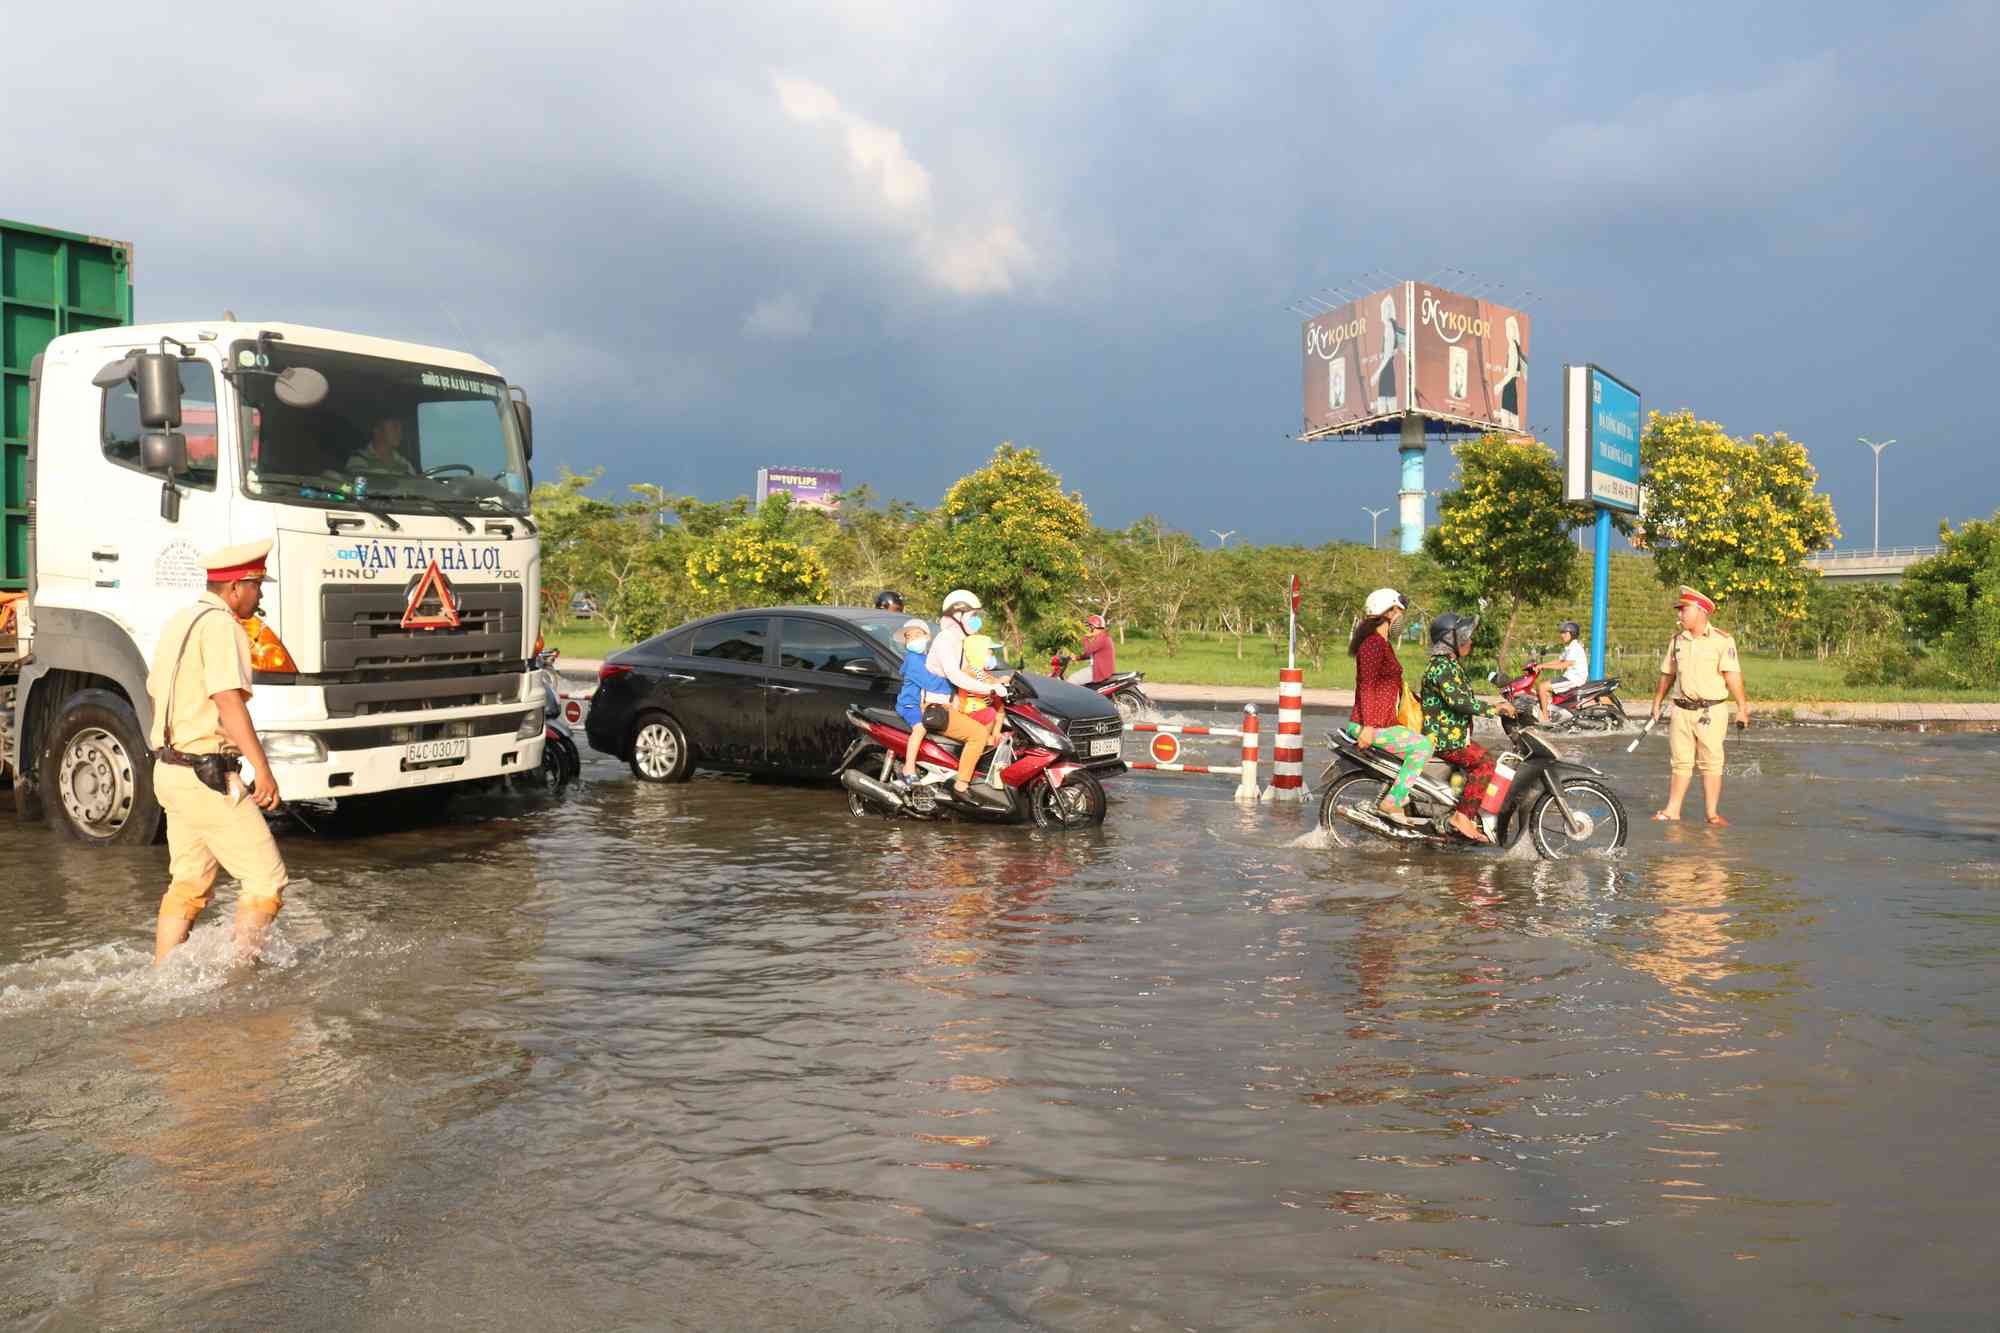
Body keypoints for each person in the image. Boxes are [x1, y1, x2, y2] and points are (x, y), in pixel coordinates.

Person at [146, 540, 289, 965]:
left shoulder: (179, 620)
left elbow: (159, 692)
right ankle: (238, 982)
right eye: (257, 586)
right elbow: (228, 700)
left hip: (170, 771)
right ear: (235, 588)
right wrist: (263, 772)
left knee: (188, 885)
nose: (260, 596)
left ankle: (161, 977)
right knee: (266, 881)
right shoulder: (223, 626)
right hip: (206, 776)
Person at [1647, 586, 1750, 826]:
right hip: (1681, 710)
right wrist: (1657, 700)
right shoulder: (1677, 640)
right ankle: (1672, 810)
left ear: (1701, 611)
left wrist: (1742, 707)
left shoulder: (1722, 640)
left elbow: (1732, 675)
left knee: (1711, 762)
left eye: (1684, 610)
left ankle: (1712, 814)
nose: (1679, 615)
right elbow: (1668, 673)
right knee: (1680, 761)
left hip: (1710, 711)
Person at [1419, 612, 1517, 843]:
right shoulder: (1441, 667)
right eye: (1465, 637)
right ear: (1449, 640)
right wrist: (1494, 710)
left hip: (1453, 735)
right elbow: (1460, 702)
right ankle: (1462, 817)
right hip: (1444, 738)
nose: (1469, 641)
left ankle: (1466, 811)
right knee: (1485, 764)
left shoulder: (1449, 664)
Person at [1345, 587, 1432, 825]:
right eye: (1398, 612)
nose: (1400, 619)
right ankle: (1392, 801)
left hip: (1384, 722)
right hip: (1370, 725)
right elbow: (1367, 685)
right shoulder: (1373, 644)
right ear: (1386, 613)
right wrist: (1369, 727)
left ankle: (1402, 807)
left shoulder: (1383, 643)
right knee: (1422, 747)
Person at [923, 590, 1006, 808]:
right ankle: (961, 786)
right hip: (936, 707)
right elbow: (956, 675)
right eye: (972, 615)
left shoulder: (960, 640)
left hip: (950, 705)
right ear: (957, 615)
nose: (976, 620)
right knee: (978, 735)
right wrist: (990, 690)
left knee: (990, 720)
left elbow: (970, 670)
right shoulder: (945, 640)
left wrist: (994, 681)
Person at [893, 619, 950, 785]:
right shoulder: (913, 660)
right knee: (920, 728)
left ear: (928, 636)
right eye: (909, 637)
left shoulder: (925, 657)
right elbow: (930, 682)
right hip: (909, 705)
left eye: (918, 634)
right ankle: (909, 768)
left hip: (925, 704)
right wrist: (952, 684)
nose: (913, 639)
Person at [1532, 620, 1588, 724]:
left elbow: (1564, 664)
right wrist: (1541, 665)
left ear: (1572, 634)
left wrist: (1544, 666)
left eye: (1564, 633)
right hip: (1569, 676)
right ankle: (1552, 711)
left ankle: (1545, 718)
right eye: (1561, 632)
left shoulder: (1575, 648)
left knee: (1542, 687)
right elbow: (1559, 660)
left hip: (1573, 679)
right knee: (1543, 688)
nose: (1562, 635)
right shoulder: (1569, 647)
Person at [345, 417, 420, 476]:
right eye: (394, 426)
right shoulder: (359, 459)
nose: (399, 432)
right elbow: (356, 489)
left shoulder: (405, 464)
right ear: (376, 429)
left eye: (400, 428)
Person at [1078, 614, 1116, 683]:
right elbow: (1090, 653)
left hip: (1100, 671)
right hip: (1097, 669)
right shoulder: (1102, 637)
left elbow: (1088, 650)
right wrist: (1077, 658)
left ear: (1094, 627)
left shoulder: (1103, 638)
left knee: (1072, 680)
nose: (1088, 629)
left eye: (1089, 627)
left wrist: (1085, 638)